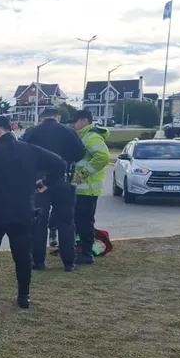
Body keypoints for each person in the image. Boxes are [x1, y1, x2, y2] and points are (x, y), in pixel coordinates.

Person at [0, 116, 67, 309]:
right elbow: (60, 164)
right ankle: (23, 297)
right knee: (23, 256)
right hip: (22, 213)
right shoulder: (30, 150)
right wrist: (46, 183)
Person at [21, 107, 87, 272]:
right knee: (66, 221)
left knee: (39, 221)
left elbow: (22, 153)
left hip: (38, 181)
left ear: (41, 117)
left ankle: (39, 261)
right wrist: (67, 159)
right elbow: (81, 152)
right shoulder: (69, 132)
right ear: (58, 117)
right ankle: (69, 262)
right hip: (63, 180)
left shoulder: (32, 132)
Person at [71, 109, 110, 266]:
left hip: (88, 188)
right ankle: (81, 250)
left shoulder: (91, 137)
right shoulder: (84, 136)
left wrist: (84, 173)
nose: (73, 125)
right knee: (81, 220)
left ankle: (86, 254)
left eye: (75, 122)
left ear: (84, 121)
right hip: (83, 188)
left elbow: (103, 156)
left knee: (85, 221)